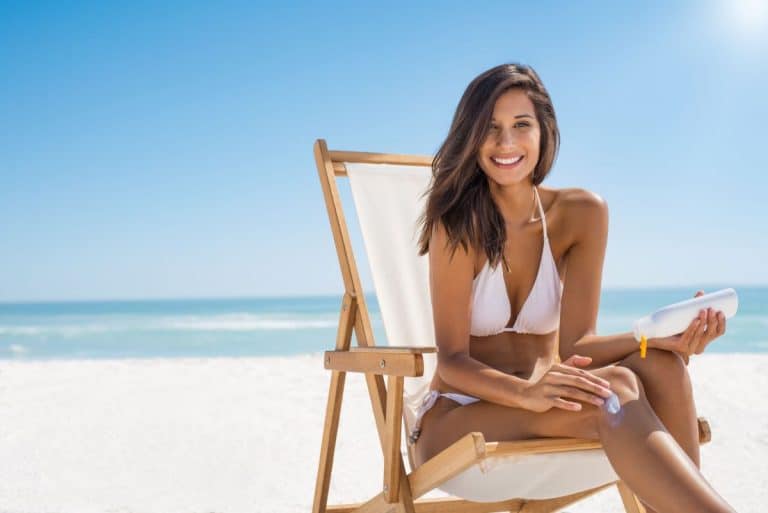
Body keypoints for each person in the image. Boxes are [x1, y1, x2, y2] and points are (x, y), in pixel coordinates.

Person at [412, 63, 737, 513]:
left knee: (661, 364)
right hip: (460, 421)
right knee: (616, 388)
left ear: (545, 131)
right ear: (471, 138)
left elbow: (576, 345)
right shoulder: (458, 224)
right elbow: (451, 363)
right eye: (490, 129)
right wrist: (527, 393)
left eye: (521, 125)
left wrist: (657, 337)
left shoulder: (582, 213)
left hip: (551, 403)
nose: (506, 143)